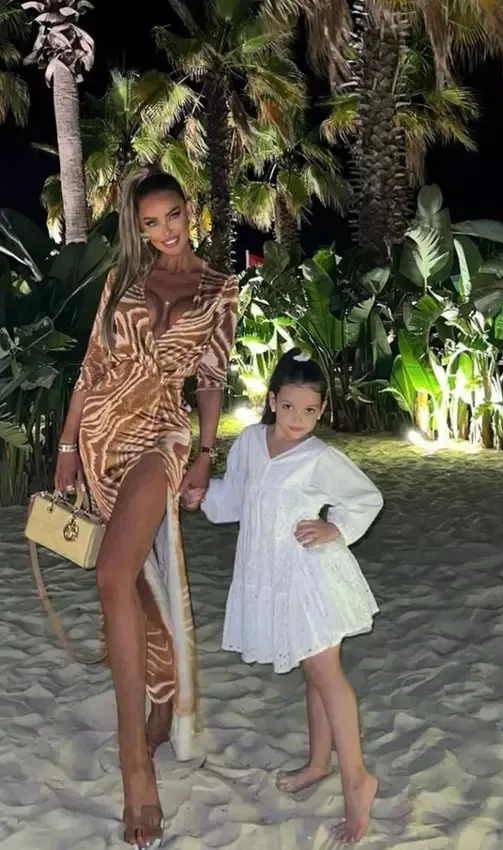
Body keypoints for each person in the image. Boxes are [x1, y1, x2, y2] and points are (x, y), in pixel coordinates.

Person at [54, 167, 238, 849]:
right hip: (102, 434)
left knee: (112, 575)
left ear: (190, 210)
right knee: (132, 584)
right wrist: (67, 446)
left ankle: (136, 760)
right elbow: (90, 368)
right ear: (139, 228)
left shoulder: (219, 289)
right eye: (150, 223)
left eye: (173, 216)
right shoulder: (123, 281)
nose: (165, 231)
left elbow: (211, 378)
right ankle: (160, 702)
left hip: (161, 432)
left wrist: (205, 454)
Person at [201, 349, 383, 845]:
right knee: (313, 674)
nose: (298, 419)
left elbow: (366, 498)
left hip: (311, 577)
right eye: (288, 407)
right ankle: (319, 764)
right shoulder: (250, 442)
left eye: (309, 410)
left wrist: (334, 527)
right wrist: (198, 494)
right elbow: (233, 499)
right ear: (272, 401)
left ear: (320, 411)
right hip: (272, 575)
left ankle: (357, 780)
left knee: (326, 675)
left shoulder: (319, 457)